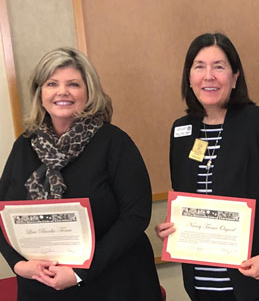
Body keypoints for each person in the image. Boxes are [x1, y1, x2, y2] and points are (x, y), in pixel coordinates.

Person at [0, 48, 162, 300]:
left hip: (112, 282)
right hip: (41, 284)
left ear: (89, 92)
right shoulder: (24, 145)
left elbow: (136, 215)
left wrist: (80, 272)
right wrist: (18, 264)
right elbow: (2, 214)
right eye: (52, 83)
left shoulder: (113, 142)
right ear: (40, 93)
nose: (62, 91)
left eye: (73, 84)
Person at [156, 33, 259, 301]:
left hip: (251, 274)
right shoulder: (181, 131)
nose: (208, 76)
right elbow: (185, 196)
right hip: (200, 279)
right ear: (189, 77)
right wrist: (170, 227)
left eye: (219, 66)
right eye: (199, 66)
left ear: (235, 77)